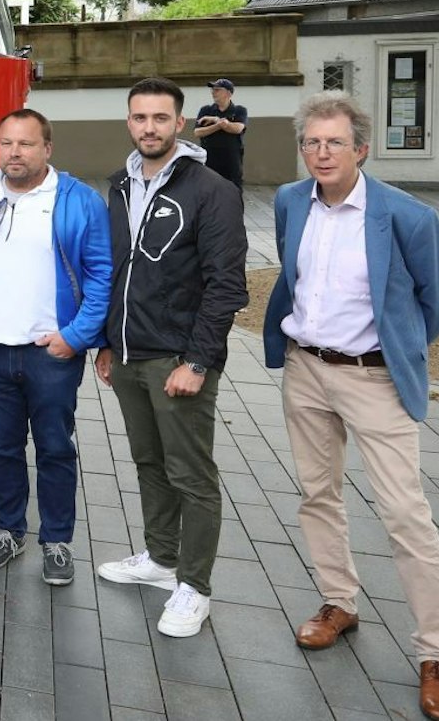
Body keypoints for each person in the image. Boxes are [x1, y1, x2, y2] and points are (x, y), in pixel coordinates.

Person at [263, 92, 439, 720]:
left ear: (361, 149)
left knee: (406, 514)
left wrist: (398, 349)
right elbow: (292, 279)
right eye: (311, 143)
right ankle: (339, 602)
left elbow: (438, 300)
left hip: (374, 379)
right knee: (317, 493)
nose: (321, 153)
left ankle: (437, 655)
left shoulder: (406, 216)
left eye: (334, 143)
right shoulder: (291, 202)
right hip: (306, 369)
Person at [95, 77, 246, 638]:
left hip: (178, 359)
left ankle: (195, 586)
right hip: (130, 355)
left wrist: (198, 361)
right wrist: (108, 344)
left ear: (179, 123)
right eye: (139, 118)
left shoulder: (211, 190)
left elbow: (227, 286)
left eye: (161, 118)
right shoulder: (121, 184)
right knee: (149, 463)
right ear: (129, 122)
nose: (149, 128)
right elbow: (115, 270)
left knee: (191, 474)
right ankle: (161, 560)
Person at [0, 108, 112, 586]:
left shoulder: (79, 201)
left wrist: (77, 337)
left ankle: (58, 540)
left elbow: (101, 274)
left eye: (25, 144)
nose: (14, 153)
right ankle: (8, 530)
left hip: (52, 353)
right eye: (6, 143)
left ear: (47, 149)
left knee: (54, 448)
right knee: (1, 447)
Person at [192, 78, 248, 189]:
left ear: (228, 93)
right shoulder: (206, 110)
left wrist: (216, 119)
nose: (213, 92)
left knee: (233, 190)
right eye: (213, 90)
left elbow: (238, 128)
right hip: (210, 159)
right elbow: (197, 132)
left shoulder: (239, 110)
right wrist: (220, 125)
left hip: (231, 160)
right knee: (209, 190)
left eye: (217, 90)